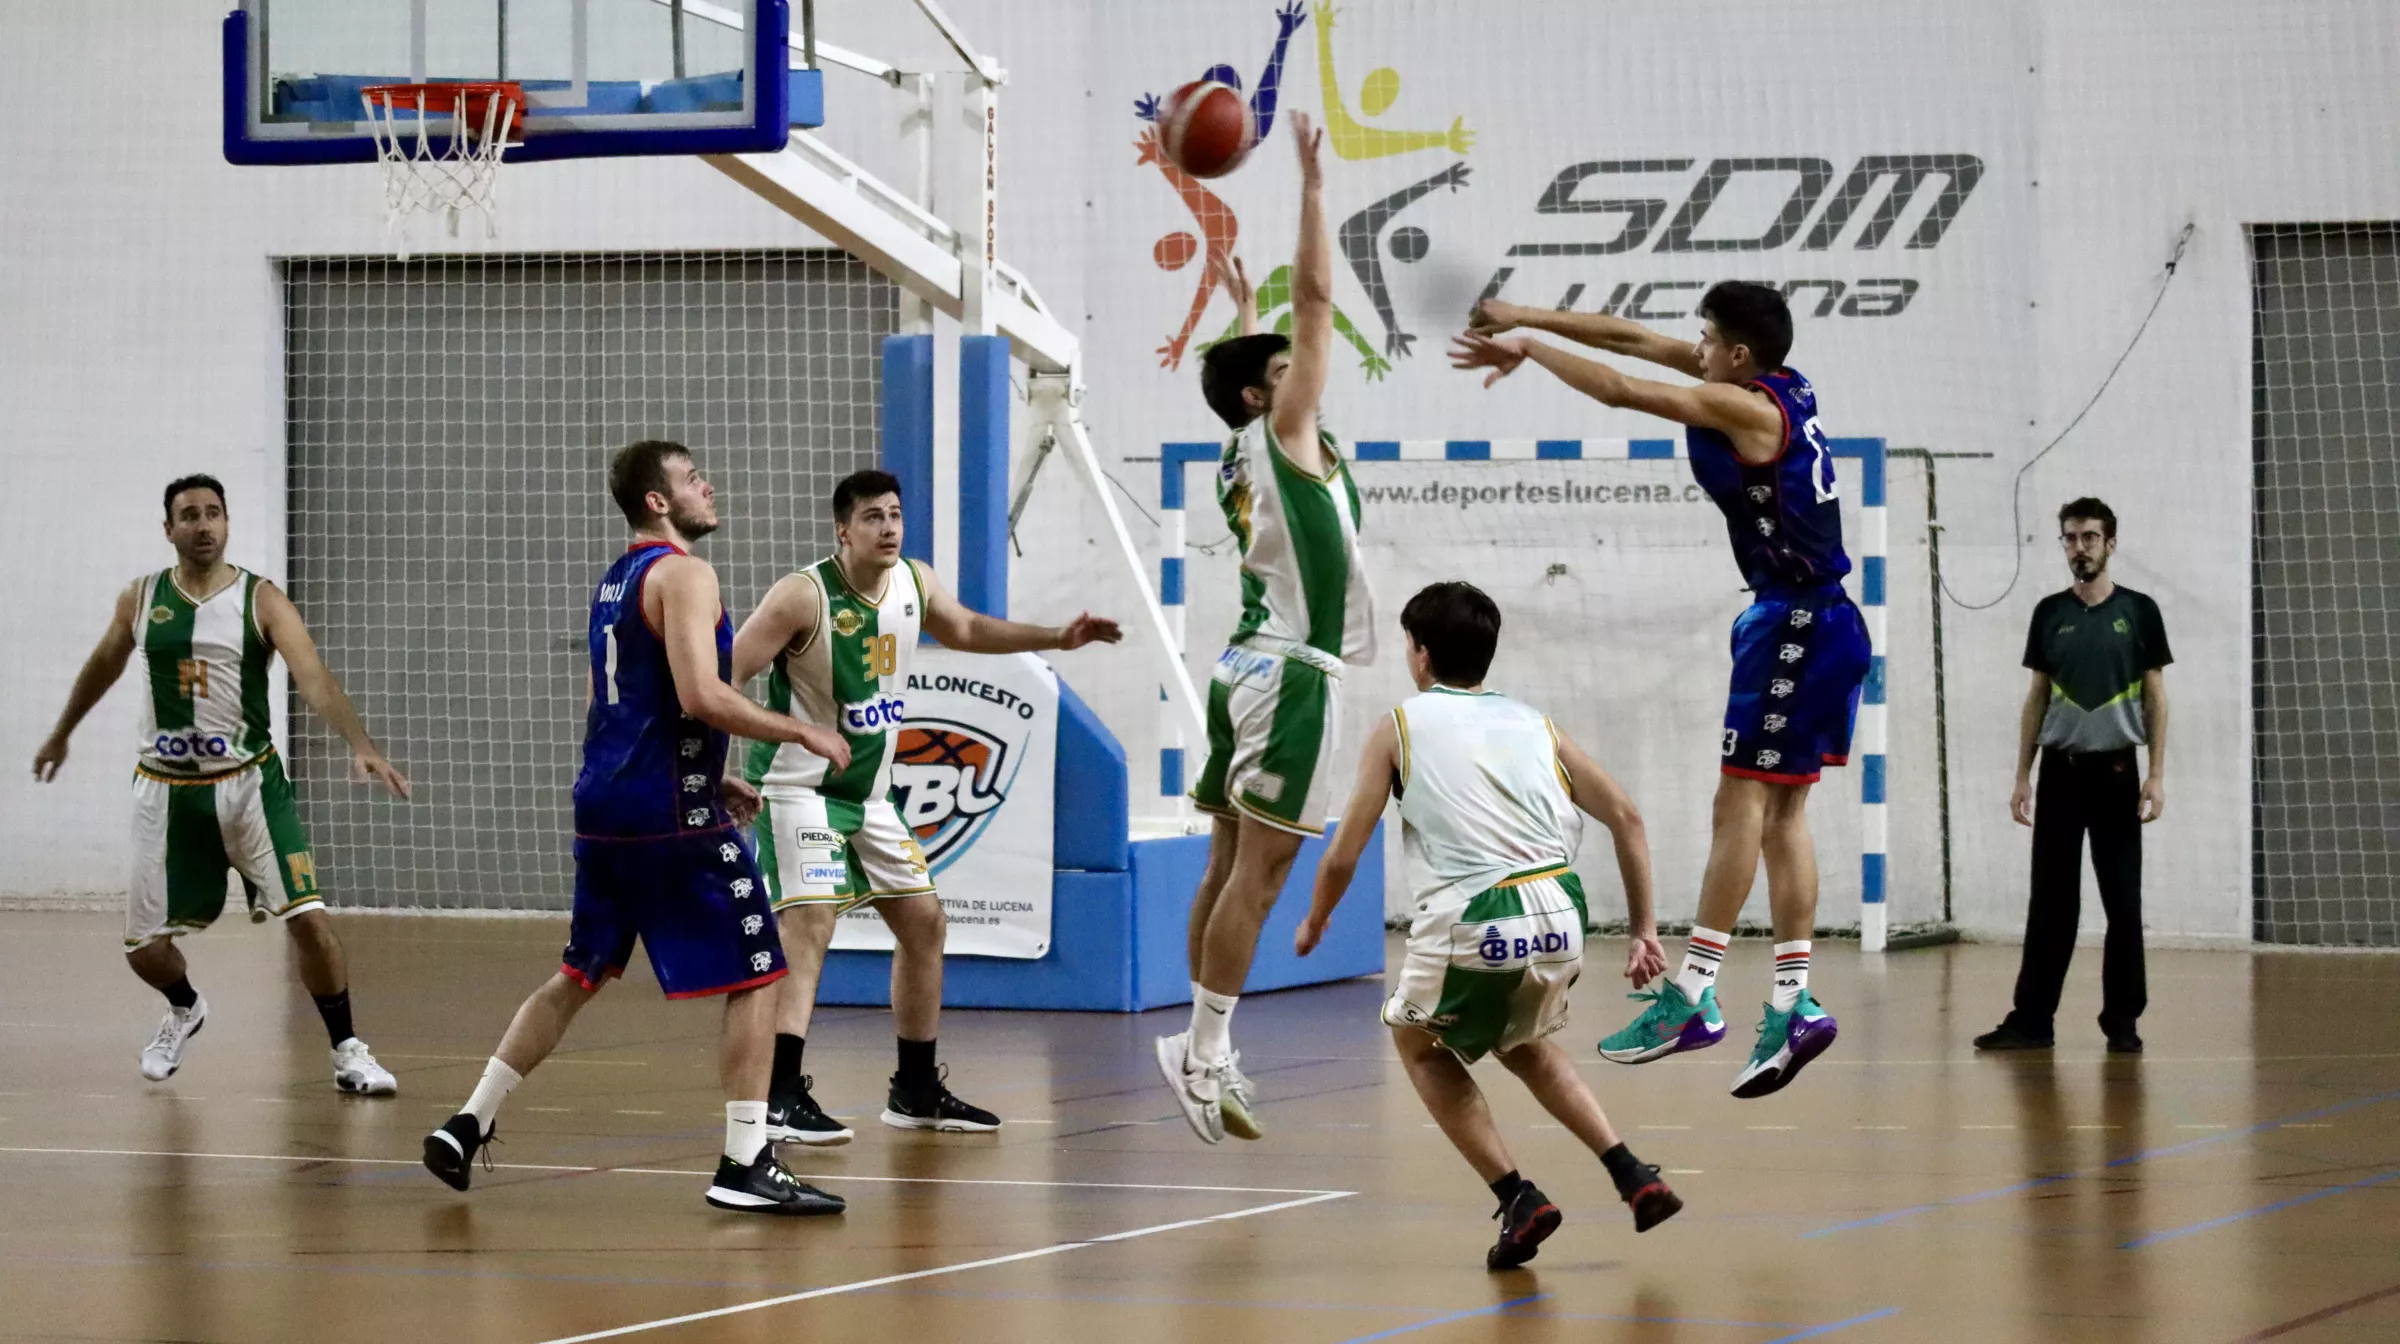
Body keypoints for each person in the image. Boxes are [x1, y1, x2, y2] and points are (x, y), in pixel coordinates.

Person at [1451, 283, 1870, 1099]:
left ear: (1738, 355)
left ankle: (1694, 994)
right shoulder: (1771, 383)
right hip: (1822, 624)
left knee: (1739, 806)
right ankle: (1791, 1004)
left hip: (1795, 624)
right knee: (1781, 816)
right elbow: (1631, 342)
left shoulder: (1748, 411)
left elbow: (1623, 386)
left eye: (1708, 338)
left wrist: (1530, 351)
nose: (1696, 346)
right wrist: (1523, 312)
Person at [422, 441, 845, 1215]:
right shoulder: (686, 573)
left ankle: (467, 1119)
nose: (707, 485)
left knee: (580, 972)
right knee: (762, 969)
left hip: (607, 805)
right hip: (668, 817)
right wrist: (799, 731)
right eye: (691, 478)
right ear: (658, 501)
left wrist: (708, 770)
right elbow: (702, 695)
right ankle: (746, 1161)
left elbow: (619, 702)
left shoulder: (615, 582)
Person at [731, 469, 1121, 1145]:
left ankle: (914, 1091)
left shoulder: (915, 581)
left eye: (896, 515)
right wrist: (720, 769)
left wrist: (1058, 636)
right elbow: (721, 679)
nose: (888, 527)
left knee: (925, 923)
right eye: (873, 517)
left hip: (870, 793)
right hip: (800, 789)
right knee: (812, 923)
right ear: (841, 530)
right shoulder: (801, 596)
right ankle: (779, 1096)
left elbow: (966, 626)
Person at [1298, 581, 1679, 1269]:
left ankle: (1516, 1197)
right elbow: (1628, 817)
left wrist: (1316, 919)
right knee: (1523, 1041)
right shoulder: (1537, 723)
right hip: (1561, 911)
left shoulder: (1399, 726)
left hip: (1479, 914)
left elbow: (1344, 852)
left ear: (1419, 654)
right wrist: (1644, 929)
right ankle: (1631, 1172)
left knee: (1417, 1045)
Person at [33, 474, 406, 1094]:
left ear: (227, 524)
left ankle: (348, 1051)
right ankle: (184, 1007)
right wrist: (62, 731)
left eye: (213, 514)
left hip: (251, 786)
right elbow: (102, 664)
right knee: (143, 951)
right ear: (169, 529)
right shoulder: (141, 600)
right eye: (189, 515)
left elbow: (311, 675)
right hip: (166, 793)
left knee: (310, 921)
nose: (203, 525)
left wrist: (360, 745)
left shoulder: (261, 600)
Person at [1156, 112, 1380, 1146]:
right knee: (1262, 875)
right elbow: (1324, 298)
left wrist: (1245, 314)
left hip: (1243, 663)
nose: (1308, 368)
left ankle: (1197, 1043)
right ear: (1263, 394)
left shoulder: (1246, 442)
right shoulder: (1282, 432)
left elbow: (1265, 359)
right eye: (1285, 365)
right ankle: (1206, 1057)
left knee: (1222, 869)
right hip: (1291, 676)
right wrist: (1312, 183)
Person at [1976, 498, 2169, 1055]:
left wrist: (2155, 775)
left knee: (2123, 905)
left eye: (2089, 537)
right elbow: (2036, 697)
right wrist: (2022, 775)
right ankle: (2032, 1020)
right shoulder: (2049, 614)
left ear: (2110, 543)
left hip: (2116, 776)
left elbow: (2156, 696)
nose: (2078, 548)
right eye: (2069, 538)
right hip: (2060, 777)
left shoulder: (2139, 611)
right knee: (2052, 904)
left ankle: (2123, 1022)